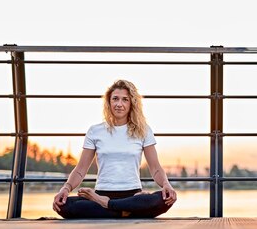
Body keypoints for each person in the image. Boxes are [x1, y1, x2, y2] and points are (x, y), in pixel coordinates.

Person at [53, 79, 177, 219]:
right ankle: (125, 211)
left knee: (163, 198)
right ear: (109, 102)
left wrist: (167, 185)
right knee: (63, 205)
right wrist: (65, 188)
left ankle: (108, 206)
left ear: (131, 104)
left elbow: (155, 168)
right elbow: (80, 170)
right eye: (115, 99)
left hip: (132, 195)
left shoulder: (144, 130)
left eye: (125, 100)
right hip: (101, 193)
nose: (119, 104)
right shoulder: (95, 131)